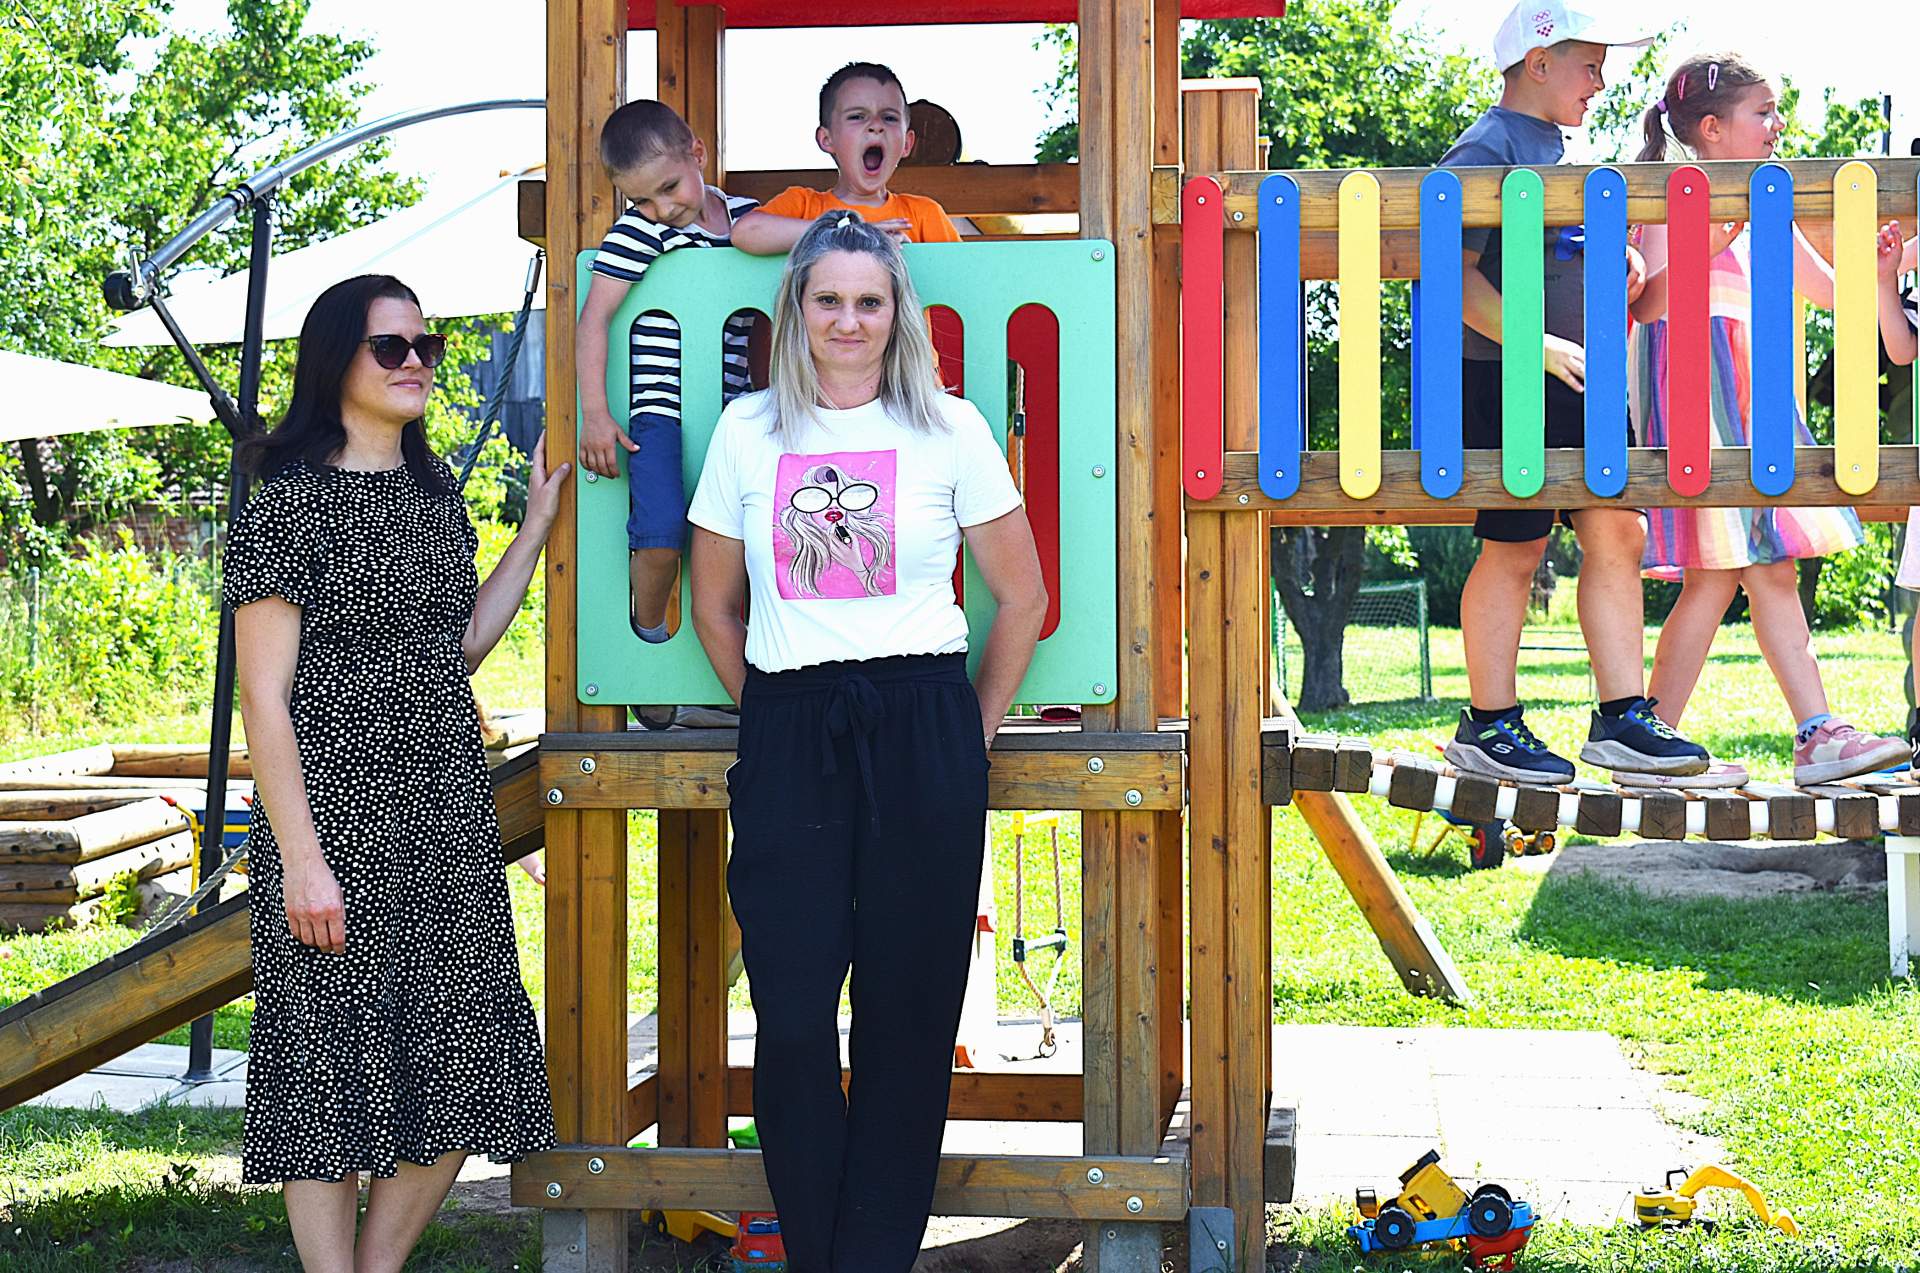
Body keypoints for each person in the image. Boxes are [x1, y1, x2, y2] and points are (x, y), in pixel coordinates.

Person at [686, 214, 1046, 1272]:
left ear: (899, 313)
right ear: (798, 308)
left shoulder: (950, 428)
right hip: (793, 726)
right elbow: (714, 606)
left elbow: (1022, 597)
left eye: (870, 301)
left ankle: (872, 1258)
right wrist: (771, 712)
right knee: (793, 1012)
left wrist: (968, 733)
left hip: (923, 723)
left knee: (909, 1013)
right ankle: (820, 1251)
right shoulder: (749, 430)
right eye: (829, 299)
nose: (849, 320)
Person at [227, 274, 564, 1271]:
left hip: (445, 816)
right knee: (326, 1071)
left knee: (464, 1051)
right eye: (392, 347)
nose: (416, 361)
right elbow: (263, 700)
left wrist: (534, 530)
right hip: (331, 820)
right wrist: (301, 860)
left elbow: (456, 648)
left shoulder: (434, 498)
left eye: (427, 346)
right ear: (337, 360)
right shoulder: (286, 508)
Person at [1438, 1, 1713, 785]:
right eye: (1589, 67)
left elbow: (1563, 250)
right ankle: (1488, 723)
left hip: (1580, 373)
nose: (1600, 82)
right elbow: (1454, 275)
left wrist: (1617, 265)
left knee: (1619, 530)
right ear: (1538, 63)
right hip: (1509, 373)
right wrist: (1538, 345)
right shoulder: (1488, 146)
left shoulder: (1564, 148)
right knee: (1517, 543)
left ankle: (1622, 717)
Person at [1628, 53, 1910, 785]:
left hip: (1753, 400)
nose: (1777, 124)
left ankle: (1655, 738)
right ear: (1712, 129)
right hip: (1697, 395)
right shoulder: (1670, 197)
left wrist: (1889, 266)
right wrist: (1714, 237)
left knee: (1727, 578)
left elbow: (1834, 291)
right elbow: (1648, 304)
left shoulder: (1767, 206)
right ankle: (1809, 733)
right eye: (1763, 112)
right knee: (1747, 573)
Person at [575, 100, 759, 729]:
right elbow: (594, 319)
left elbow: (793, 250)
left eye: (670, 188)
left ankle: (722, 677)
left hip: (732, 415)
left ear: (697, 154)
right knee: (659, 538)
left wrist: (843, 224)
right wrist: (595, 412)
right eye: (642, 199)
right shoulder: (638, 233)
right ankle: (648, 642)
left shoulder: (745, 219)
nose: (661, 208)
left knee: (734, 545)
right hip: (658, 413)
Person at [729, 63, 963, 252]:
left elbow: (964, 280)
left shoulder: (923, 214)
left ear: (907, 144)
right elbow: (745, 232)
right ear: (827, 139)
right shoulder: (803, 204)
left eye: (889, 118)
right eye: (858, 116)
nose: (876, 126)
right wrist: (847, 231)